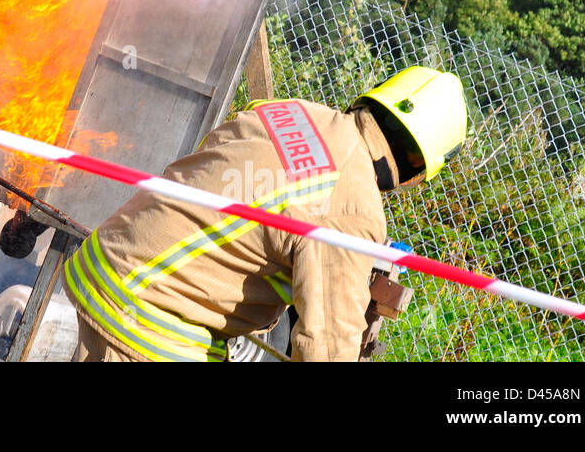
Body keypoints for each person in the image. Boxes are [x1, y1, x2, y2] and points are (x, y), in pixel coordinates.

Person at [63, 66, 468, 362]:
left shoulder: (290, 111)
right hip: (152, 326)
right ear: (418, 167)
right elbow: (327, 348)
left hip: (104, 268)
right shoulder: (353, 205)